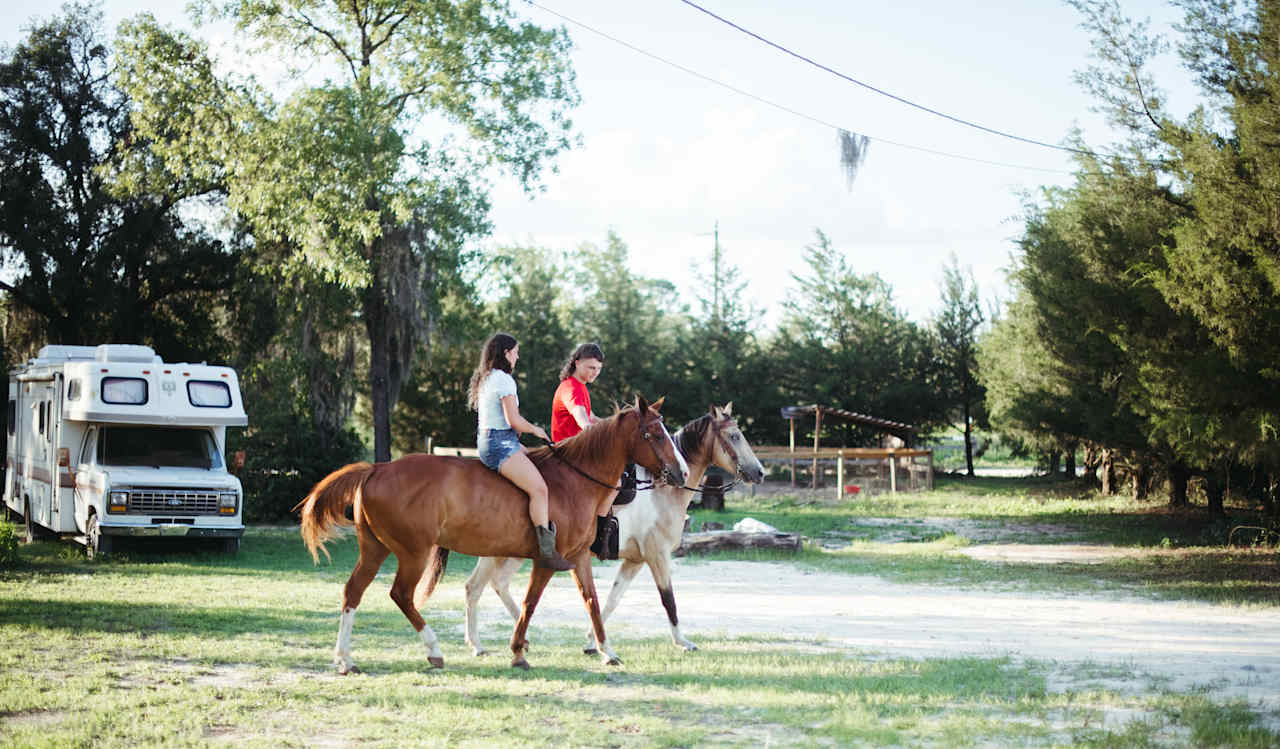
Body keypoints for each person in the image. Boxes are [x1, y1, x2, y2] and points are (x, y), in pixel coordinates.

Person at [468, 333, 572, 571]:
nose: (517, 356)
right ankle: (546, 552)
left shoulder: (488, 377)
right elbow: (513, 420)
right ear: (506, 353)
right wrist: (537, 430)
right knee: (539, 489)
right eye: (515, 351)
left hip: (495, 440)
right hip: (500, 444)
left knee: (540, 464)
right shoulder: (504, 380)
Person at [551, 342, 624, 559]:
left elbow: (592, 418)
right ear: (577, 362)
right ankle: (599, 535)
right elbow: (584, 423)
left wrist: (616, 427)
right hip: (570, 453)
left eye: (598, 369)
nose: (595, 373)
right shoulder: (571, 388)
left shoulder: (579, 386)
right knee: (615, 483)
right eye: (591, 368)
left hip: (577, 450)